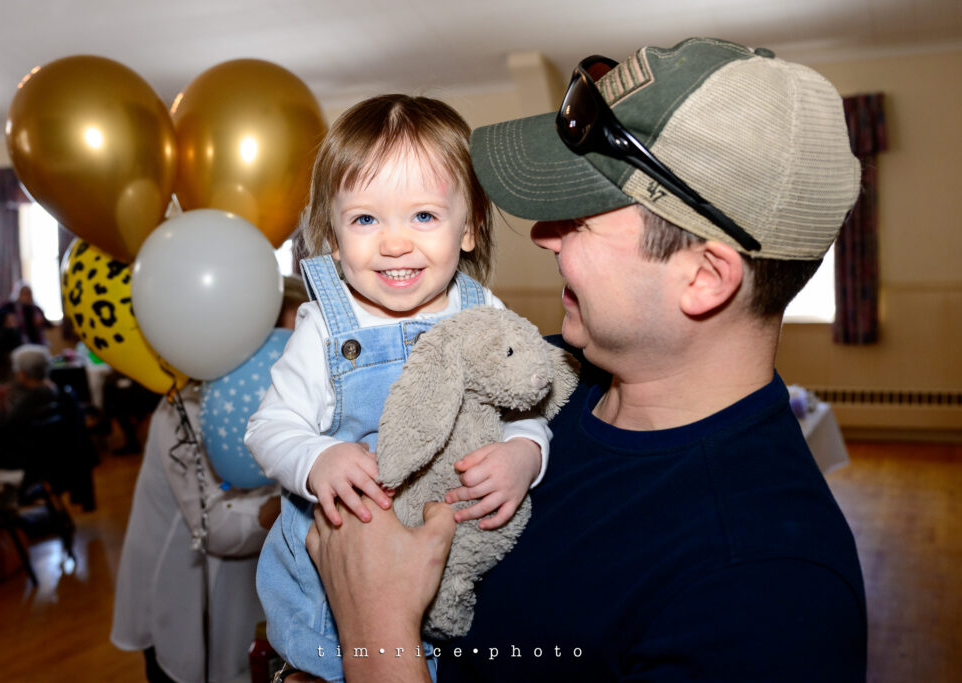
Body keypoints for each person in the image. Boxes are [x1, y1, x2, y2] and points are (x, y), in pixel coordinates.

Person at [304, 38, 868, 682]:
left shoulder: (766, 590)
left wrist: (374, 627)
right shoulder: (529, 373)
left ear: (705, 278)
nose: (544, 235)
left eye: (582, 218)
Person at [245, 94, 554, 682]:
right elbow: (270, 427)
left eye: (424, 216)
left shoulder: (484, 312)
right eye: (365, 219)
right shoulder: (325, 329)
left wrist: (523, 453)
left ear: (470, 227)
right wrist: (317, 458)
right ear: (333, 237)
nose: (394, 243)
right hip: (336, 598)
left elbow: (526, 403)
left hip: (456, 565)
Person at [111, 387, 284, 683]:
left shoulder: (280, 391)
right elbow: (216, 526)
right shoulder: (182, 408)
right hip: (182, 592)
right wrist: (300, 493)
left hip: (250, 590)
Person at [0, 344, 96, 508]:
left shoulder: (32, 400)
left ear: (23, 373)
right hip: (57, 457)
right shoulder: (58, 392)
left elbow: (3, 431)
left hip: (35, 463)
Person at [0, 281, 51, 382]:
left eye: (28, 293)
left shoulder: (35, 309)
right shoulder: (10, 306)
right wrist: (8, 318)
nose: (26, 296)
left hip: (34, 344)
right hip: (15, 345)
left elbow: (49, 324)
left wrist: (41, 321)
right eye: (24, 293)